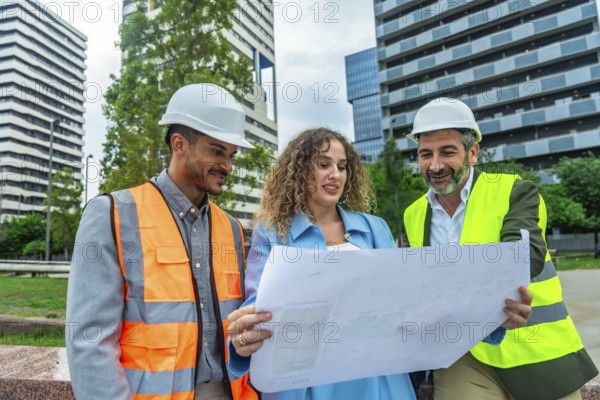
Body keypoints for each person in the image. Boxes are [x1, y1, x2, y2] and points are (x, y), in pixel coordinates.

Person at [224, 127, 531, 400]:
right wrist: (243, 338)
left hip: (380, 383)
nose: (335, 174)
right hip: (307, 386)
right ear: (299, 170)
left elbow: (416, 303)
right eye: (323, 164)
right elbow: (258, 313)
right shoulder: (272, 234)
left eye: (342, 167)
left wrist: (490, 319)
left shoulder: (374, 228)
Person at [66, 83, 258, 400]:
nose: (228, 166)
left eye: (231, 155)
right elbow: (90, 340)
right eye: (217, 151)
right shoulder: (113, 215)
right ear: (179, 144)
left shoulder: (233, 230)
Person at [403, 97, 598, 400]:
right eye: (425, 153)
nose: (436, 164)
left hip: (536, 346)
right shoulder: (413, 213)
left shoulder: (515, 191)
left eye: (448, 151)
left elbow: (523, 255)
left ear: (473, 153)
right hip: (464, 355)